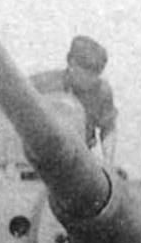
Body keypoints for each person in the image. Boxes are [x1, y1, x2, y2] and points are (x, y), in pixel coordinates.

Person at [31, 35, 119, 166]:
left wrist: (108, 163)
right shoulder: (42, 85)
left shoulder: (101, 91)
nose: (92, 79)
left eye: (96, 73)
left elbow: (108, 128)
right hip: (41, 159)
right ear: (71, 62)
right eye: (86, 71)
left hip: (80, 160)